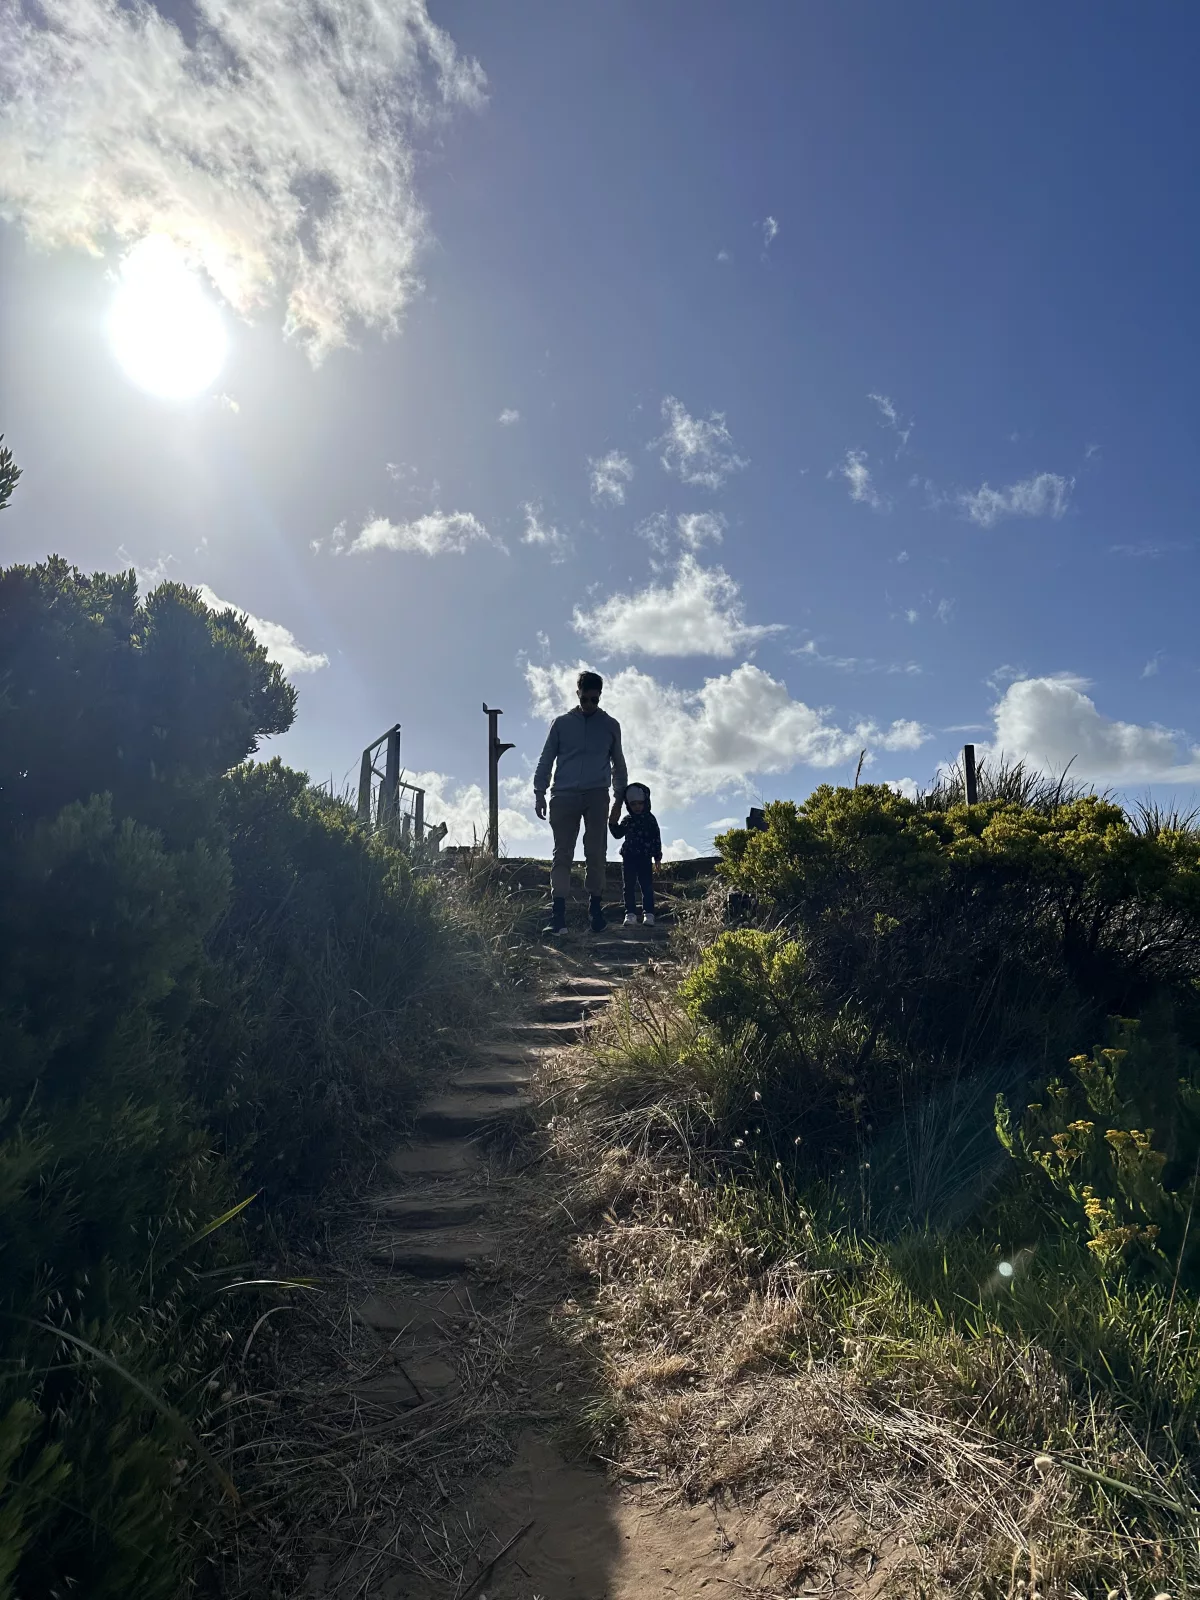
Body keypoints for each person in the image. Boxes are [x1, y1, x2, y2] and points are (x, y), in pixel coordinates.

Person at [533, 669, 628, 934]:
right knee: (562, 853)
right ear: (578, 694)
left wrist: (619, 802)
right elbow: (546, 758)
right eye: (585, 699)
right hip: (563, 795)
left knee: (596, 852)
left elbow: (619, 766)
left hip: (597, 794)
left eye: (595, 700)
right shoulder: (561, 723)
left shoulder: (611, 725)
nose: (589, 705)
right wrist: (539, 791)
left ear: (600, 697)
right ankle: (558, 916)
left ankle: (595, 911)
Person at [609, 782, 662, 925]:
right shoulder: (628, 819)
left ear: (646, 802)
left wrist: (657, 857)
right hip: (629, 857)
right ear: (628, 805)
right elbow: (618, 834)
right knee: (629, 886)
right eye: (633, 804)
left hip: (645, 857)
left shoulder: (650, 819)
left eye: (640, 803)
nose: (637, 807)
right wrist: (612, 822)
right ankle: (630, 913)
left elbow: (656, 838)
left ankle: (649, 914)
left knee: (647, 886)